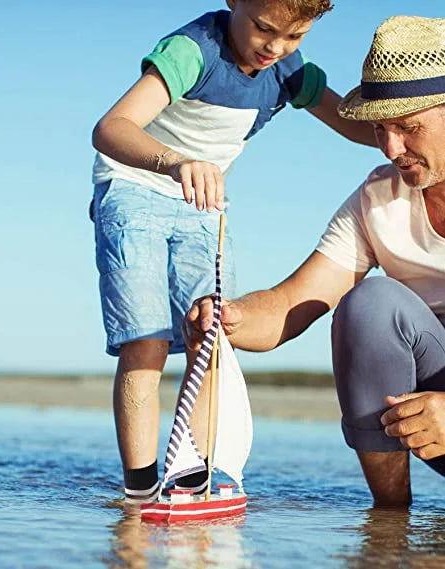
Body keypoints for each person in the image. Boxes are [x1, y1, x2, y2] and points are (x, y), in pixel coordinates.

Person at [90, 0, 377, 501]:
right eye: (264, 28)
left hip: (202, 201)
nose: (275, 46)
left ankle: (191, 474)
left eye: (294, 37)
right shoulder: (191, 50)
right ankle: (137, 490)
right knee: (148, 340)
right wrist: (176, 162)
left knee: (211, 333)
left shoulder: (289, 71)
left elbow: (356, 127)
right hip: (134, 186)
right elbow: (111, 127)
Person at [184, 15, 445, 507]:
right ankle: (389, 524)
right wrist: (228, 318)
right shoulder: (377, 200)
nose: (390, 148)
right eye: (381, 128)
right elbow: (293, 301)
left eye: (408, 128)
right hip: (434, 416)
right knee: (370, 303)